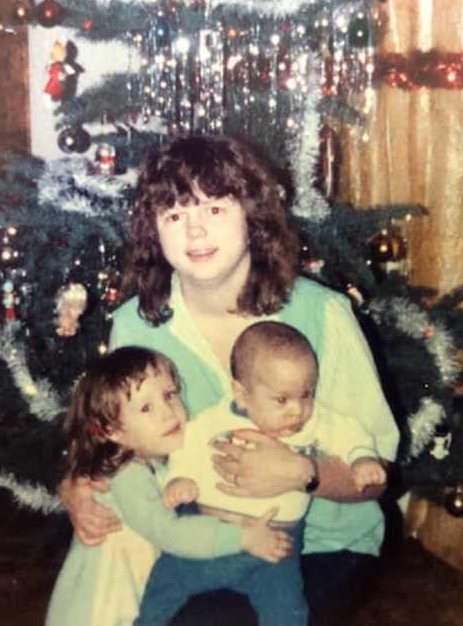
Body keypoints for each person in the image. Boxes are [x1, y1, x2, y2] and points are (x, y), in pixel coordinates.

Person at [61, 134, 400, 624]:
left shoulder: (324, 314)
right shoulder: (136, 324)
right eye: (175, 216)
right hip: (193, 530)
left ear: (251, 215)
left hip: (319, 541)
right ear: (153, 231)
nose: (195, 233)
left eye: (215, 210)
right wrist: (75, 483)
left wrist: (301, 473)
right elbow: (115, 436)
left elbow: (376, 478)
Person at [135, 321, 387, 626]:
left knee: (287, 610)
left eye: (306, 394)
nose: (297, 410)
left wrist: (362, 459)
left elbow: (350, 434)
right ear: (242, 394)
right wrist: (178, 480)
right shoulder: (216, 419)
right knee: (165, 584)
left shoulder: (315, 422)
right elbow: (185, 447)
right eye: (281, 399)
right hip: (210, 536)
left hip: (275, 548)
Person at [46, 346, 292, 626]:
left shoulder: (155, 464)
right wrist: (242, 537)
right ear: (112, 431)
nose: (168, 413)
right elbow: (168, 533)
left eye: (170, 395)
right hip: (99, 614)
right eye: (146, 408)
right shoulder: (127, 475)